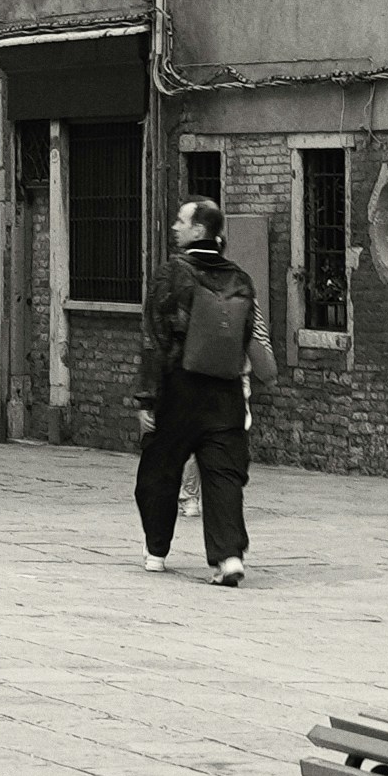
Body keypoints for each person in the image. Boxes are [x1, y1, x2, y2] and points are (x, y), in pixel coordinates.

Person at [136, 198, 268, 584]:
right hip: (225, 390)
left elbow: (154, 339)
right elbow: (247, 335)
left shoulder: (172, 274)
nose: (175, 227)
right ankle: (229, 557)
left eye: (182, 221)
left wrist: (147, 397)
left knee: (159, 470)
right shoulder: (240, 278)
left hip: (179, 388)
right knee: (224, 475)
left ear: (199, 230)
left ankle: (156, 551)